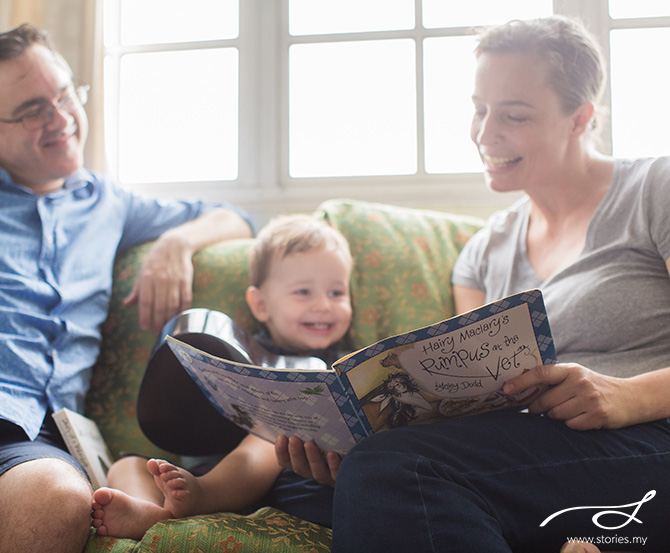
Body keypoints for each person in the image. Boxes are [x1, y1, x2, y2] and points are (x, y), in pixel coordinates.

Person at [0, 24, 252, 553]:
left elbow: (236, 217)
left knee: (59, 499)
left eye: (63, 94)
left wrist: (177, 243)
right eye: (32, 109)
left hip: (30, 425)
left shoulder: (110, 205)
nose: (61, 119)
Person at [279, 16, 670, 553]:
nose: (485, 134)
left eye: (514, 115)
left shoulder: (655, 190)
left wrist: (627, 397)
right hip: (537, 454)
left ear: (581, 118)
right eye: (480, 109)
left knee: (395, 472)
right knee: (311, 480)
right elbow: (476, 402)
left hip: (649, 439)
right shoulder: (484, 251)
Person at [90, 214, 353, 539]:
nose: (323, 305)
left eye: (337, 293)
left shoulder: (344, 365)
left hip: (294, 484)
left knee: (272, 432)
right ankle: (150, 515)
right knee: (126, 466)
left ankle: (201, 498)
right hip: (205, 474)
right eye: (303, 292)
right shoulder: (236, 351)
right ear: (260, 304)